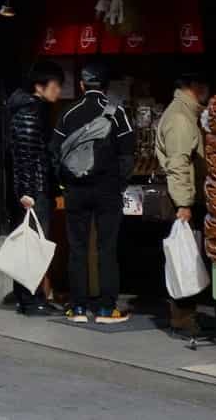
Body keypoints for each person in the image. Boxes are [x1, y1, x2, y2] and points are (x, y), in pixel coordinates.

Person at [52, 62, 136, 325]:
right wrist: (117, 183)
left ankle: (77, 308)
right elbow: (128, 155)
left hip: (76, 191)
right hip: (108, 191)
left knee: (77, 248)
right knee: (106, 248)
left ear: (81, 85)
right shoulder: (118, 113)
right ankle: (105, 309)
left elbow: (54, 152)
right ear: (106, 86)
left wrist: (64, 184)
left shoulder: (67, 113)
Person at [2, 61, 63, 316]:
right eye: (55, 85)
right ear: (40, 86)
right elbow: (26, 154)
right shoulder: (30, 110)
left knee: (31, 243)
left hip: (33, 187)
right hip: (33, 190)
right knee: (33, 245)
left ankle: (29, 296)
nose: (58, 91)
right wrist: (28, 192)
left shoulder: (28, 107)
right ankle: (30, 298)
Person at [156, 68, 210, 332]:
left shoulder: (185, 113)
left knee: (187, 255)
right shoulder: (180, 118)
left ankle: (186, 314)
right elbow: (178, 162)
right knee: (183, 258)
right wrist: (184, 203)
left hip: (184, 197)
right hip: (182, 200)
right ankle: (183, 316)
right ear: (195, 86)